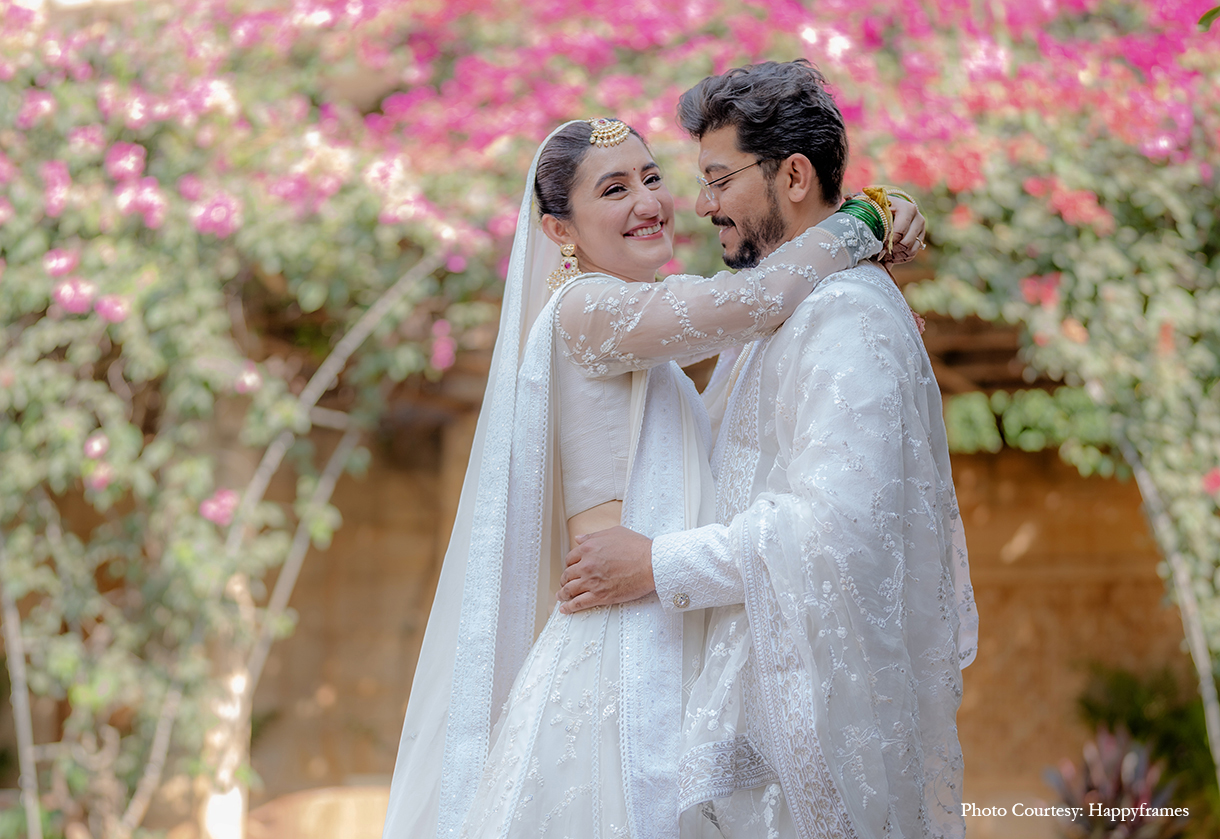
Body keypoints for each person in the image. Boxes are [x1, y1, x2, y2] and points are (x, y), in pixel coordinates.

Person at [379, 115, 921, 838]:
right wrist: (867, 215)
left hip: (663, 635)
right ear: (559, 233)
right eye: (613, 188)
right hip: (626, 667)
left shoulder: (642, 342)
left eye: (652, 177)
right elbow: (749, 302)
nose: (649, 201)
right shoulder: (584, 310)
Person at [557, 61, 978, 838]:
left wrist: (657, 562)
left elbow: (837, 531)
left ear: (792, 175)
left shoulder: (845, 314)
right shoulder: (769, 311)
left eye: (716, 177)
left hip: (805, 743)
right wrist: (873, 215)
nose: (696, 203)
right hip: (740, 719)